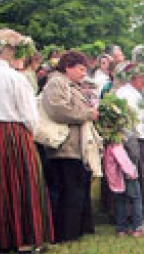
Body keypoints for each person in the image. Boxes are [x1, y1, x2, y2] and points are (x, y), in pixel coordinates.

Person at [0, 28, 53, 253]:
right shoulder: (14, 77)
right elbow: (29, 115)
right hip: (12, 133)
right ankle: (24, 239)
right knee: (20, 182)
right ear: (10, 49)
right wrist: (31, 134)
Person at [41, 50, 100, 243]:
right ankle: (65, 233)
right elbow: (57, 110)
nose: (84, 73)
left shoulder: (71, 85)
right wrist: (86, 114)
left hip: (74, 147)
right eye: (81, 69)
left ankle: (77, 229)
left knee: (77, 189)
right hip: (63, 148)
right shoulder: (56, 83)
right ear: (68, 67)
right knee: (67, 191)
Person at [115, 64, 144, 223]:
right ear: (133, 78)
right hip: (132, 141)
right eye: (141, 78)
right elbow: (135, 123)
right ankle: (134, 217)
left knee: (138, 178)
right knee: (135, 178)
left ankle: (135, 216)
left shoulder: (135, 93)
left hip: (136, 139)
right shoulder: (127, 94)